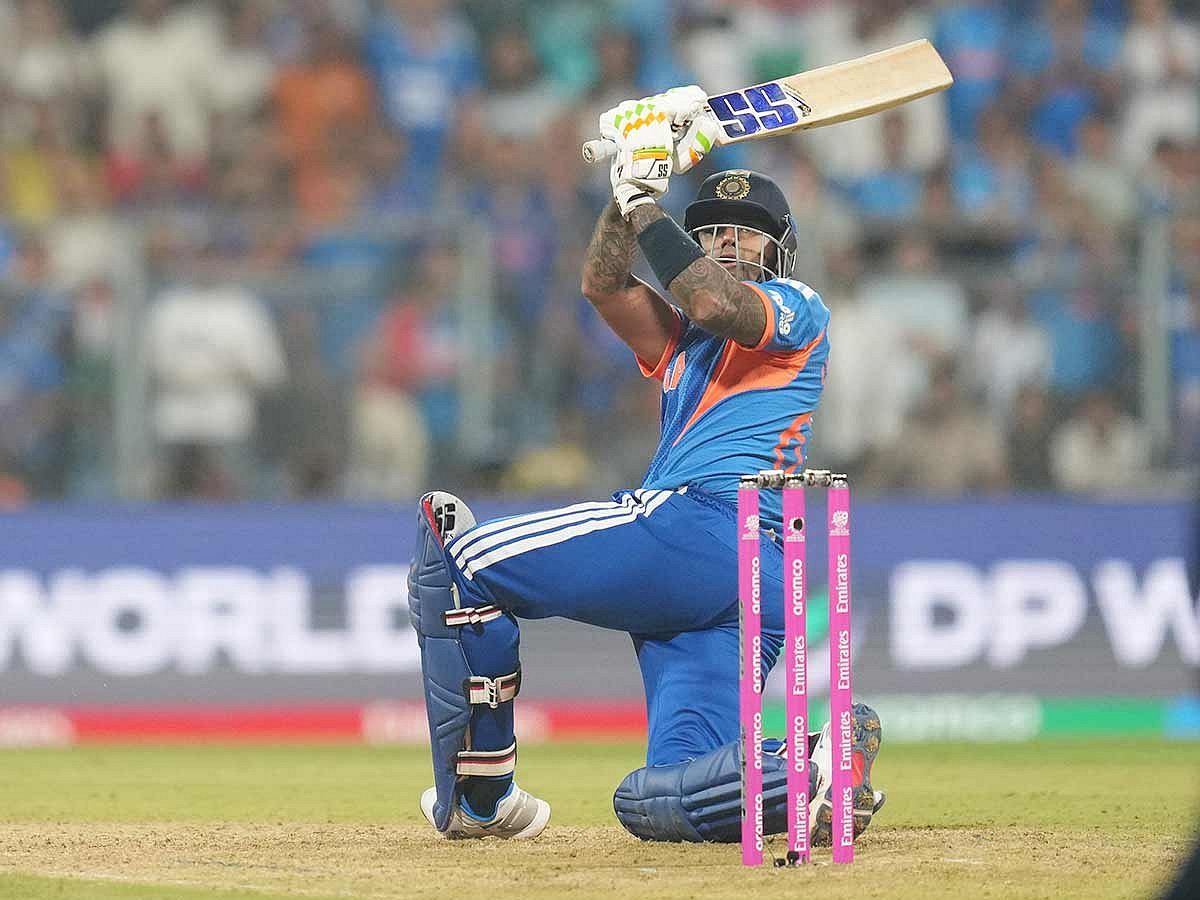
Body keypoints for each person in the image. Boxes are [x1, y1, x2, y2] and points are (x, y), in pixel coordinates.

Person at [408, 88, 884, 842]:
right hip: (739, 591)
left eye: (747, 235)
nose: (729, 243)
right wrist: (633, 184)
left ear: (781, 251)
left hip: (708, 525)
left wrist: (643, 201)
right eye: (714, 232)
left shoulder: (797, 306)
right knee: (655, 800)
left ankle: (480, 798)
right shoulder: (680, 342)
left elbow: (715, 301)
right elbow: (603, 284)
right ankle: (815, 766)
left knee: (457, 560)